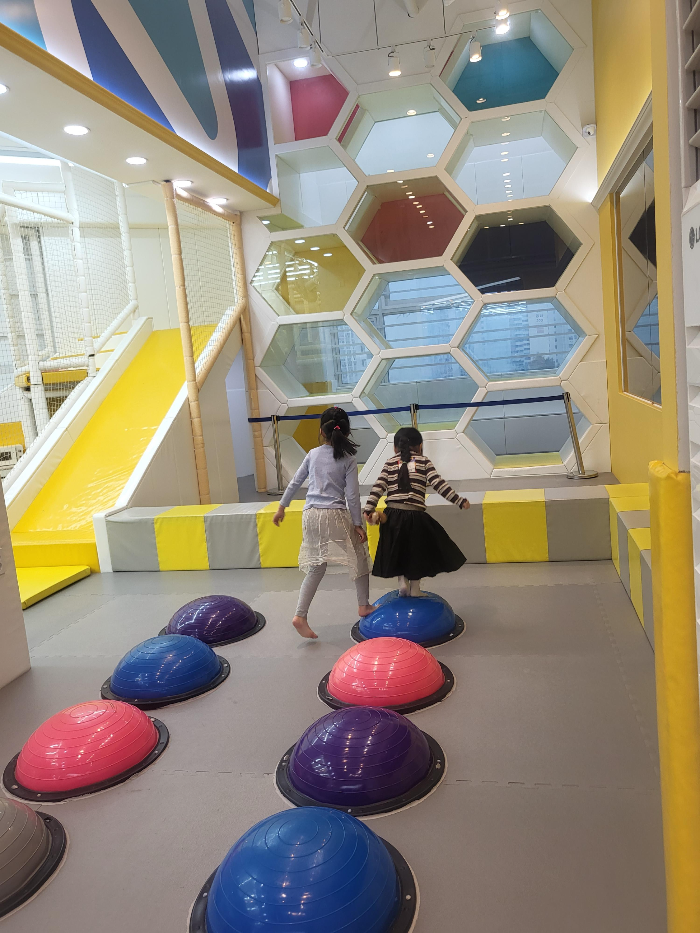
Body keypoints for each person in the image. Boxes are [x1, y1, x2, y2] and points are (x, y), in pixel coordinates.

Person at [273, 407, 374, 639]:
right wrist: (357, 524)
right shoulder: (349, 459)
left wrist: (281, 507)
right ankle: (363, 605)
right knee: (359, 556)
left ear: (321, 431)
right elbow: (352, 496)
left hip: (310, 515)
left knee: (317, 567)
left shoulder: (313, 454)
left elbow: (295, 482)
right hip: (333, 514)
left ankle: (300, 616)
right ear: (347, 432)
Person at [364, 426, 469, 597]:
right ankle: (415, 589)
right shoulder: (424, 461)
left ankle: (401, 582)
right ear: (420, 446)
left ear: (395, 448)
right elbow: (439, 484)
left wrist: (369, 508)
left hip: (392, 516)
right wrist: (459, 500)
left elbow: (378, 487)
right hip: (416, 517)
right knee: (416, 553)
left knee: (397, 550)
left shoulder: (390, 463)